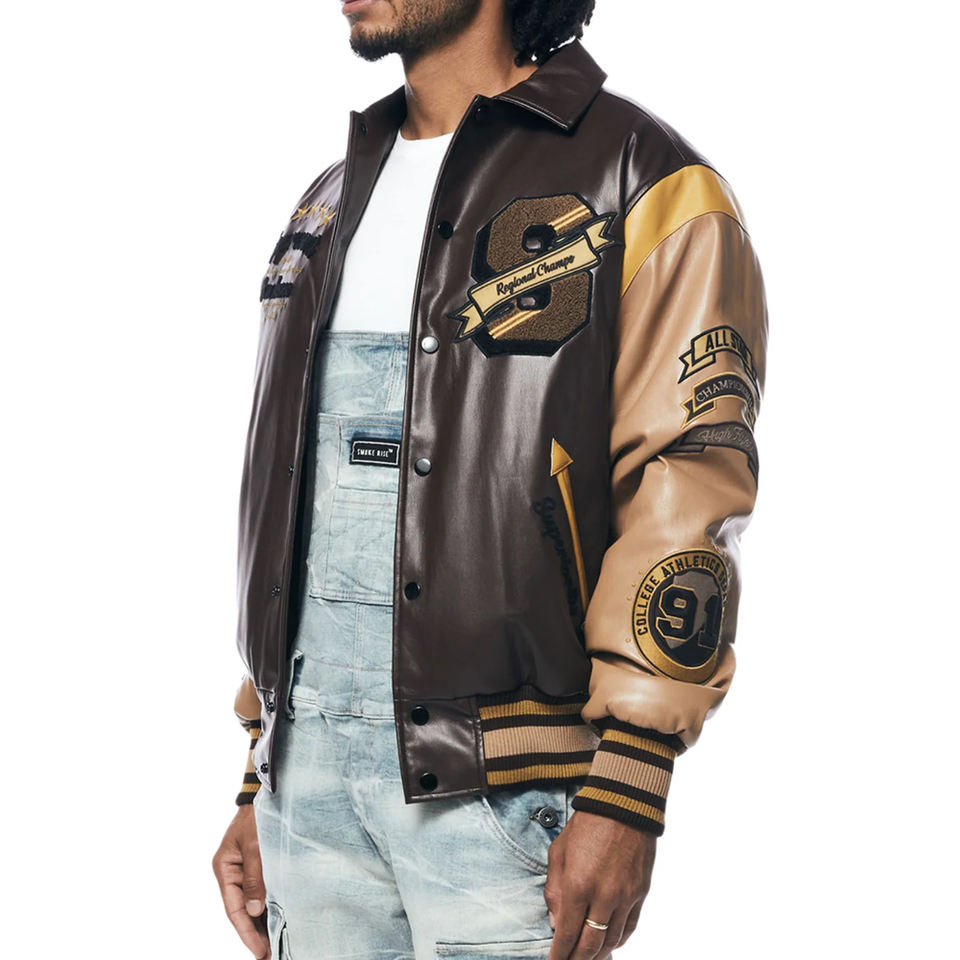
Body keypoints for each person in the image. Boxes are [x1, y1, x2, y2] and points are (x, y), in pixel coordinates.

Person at [211, 2, 768, 958]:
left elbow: (688, 478)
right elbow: (307, 504)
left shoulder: (644, 179)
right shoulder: (331, 199)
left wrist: (631, 784)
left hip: (510, 801)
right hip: (306, 798)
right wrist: (260, 773)